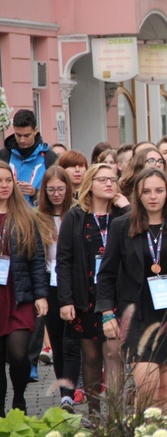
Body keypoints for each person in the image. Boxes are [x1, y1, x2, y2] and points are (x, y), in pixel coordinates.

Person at [96, 168, 167, 409]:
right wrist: (106, 313)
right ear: (138, 195)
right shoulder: (122, 226)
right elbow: (106, 274)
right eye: (146, 191)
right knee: (146, 386)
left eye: (159, 190)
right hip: (136, 315)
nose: (153, 196)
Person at [56, 163, 128, 414]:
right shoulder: (75, 217)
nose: (109, 183)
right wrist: (65, 300)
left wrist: (128, 207)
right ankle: (95, 413)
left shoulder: (121, 215)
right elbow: (63, 261)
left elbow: (138, 237)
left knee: (114, 351)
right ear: (90, 184)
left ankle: (116, 412)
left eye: (113, 179)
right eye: (103, 179)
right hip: (85, 296)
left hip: (116, 295)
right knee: (91, 356)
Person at [0, 160, 48, 416]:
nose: (4, 186)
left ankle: (19, 397)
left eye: (8, 181)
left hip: (19, 295)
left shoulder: (26, 216)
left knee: (19, 355)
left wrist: (40, 295)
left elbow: (37, 259)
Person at [35, 167, 80, 413]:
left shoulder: (76, 214)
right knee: (58, 340)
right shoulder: (37, 217)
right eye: (51, 190)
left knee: (73, 339)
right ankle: (65, 391)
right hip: (49, 284)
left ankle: (71, 392)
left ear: (68, 189)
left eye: (60, 189)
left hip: (73, 284)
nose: (56, 194)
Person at [0, 109, 58, 203]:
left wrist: (35, 193)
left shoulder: (49, 157)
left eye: (27, 135)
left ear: (35, 130)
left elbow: (59, 191)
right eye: (18, 135)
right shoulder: (4, 155)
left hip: (39, 215)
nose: (22, 140)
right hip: (9, 214)